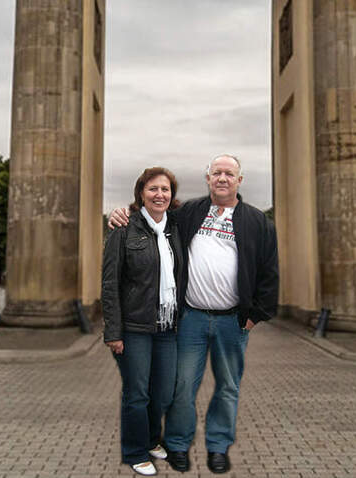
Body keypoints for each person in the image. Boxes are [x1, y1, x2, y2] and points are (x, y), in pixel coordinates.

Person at [111, 154, 278, 475]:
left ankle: (217, 446)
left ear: (239, 181)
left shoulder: (257, 221)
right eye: (217, 172)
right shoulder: (189, 212)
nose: (223, 178)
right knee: (182, 385)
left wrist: (256, 314)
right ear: (208, 178)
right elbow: (152, 216)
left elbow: (269, 271)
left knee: (228, 386)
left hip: (233, 320)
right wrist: (123, 212)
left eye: (229, 173)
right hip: (191, 318)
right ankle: (176, 444)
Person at [103, 166, 188, 477]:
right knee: (137, 393)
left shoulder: (175, 229)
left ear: (171, 195)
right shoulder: (123, 229)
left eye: (165, 189)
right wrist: (113, 332)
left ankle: (152, 439)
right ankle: (135, 452)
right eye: (153, 189)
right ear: (141, 193)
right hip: (134, 327)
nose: (159, 194)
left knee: (163, 392)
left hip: (167, 327)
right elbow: (110, 284)